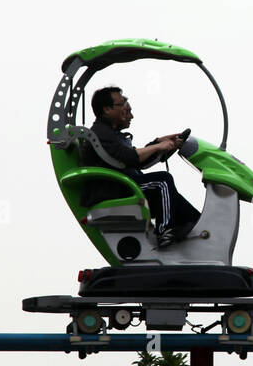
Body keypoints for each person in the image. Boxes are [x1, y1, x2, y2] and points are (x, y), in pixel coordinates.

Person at [81, 87, 200, 247]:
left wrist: (160, 143)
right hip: (114, 191)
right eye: (121, 104)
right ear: (107, 109)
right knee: (163, 181)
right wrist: (158, 147)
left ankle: (198, 226)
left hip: (123, 186)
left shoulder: (112, 134)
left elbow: (137, 159)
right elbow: (129, 158)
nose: (125, 109)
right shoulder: (100, 133)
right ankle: (164, 232)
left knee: (178, 202)